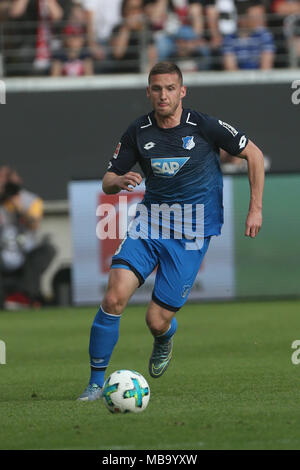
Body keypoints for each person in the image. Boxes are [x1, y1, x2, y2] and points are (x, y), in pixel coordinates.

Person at [78, 61, 264, 401]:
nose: (163, 95)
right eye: (156, 89)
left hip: (192, 231)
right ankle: (94, 384)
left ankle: (164, 337)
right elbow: (108, 180)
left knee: (156, 320)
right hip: (150, 224)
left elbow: (253, 153)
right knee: (114, 296)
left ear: (182, 91)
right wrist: (118, 180)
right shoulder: (138, 131)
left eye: (169, 88)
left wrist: (255, 208)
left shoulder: (205, 126)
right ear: (148, 92)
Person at [0, 167, 56, 309]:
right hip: (3, 251)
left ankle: (25, 296)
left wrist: (18, 206)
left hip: (25, 252)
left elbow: (34, 225)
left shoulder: (30, 200)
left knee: (47, 250)